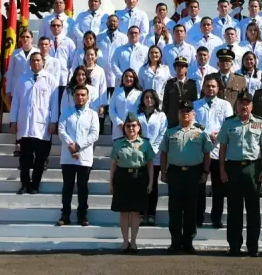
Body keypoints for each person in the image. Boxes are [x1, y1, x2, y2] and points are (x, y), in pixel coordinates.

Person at [218, 91, 262, 257]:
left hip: (253, 168)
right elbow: (222, 149)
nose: (244, 106)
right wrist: (222, 170)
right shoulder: (228, 123)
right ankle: (234, 246)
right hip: (233, 168)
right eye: (241, 103)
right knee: (234, 210)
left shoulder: (260, 123)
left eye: (247, 103)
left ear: (252, 106)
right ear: (237, 105)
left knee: (253, 210)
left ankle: (253, 246)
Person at [160, 100, 213, 253]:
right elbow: (164, 153)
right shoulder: (170, 131)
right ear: (178, 114)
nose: (185, 114)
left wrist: (205, 172)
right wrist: (163, 172)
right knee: (174, 209)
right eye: (182, 111)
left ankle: (188, 241)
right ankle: (175, 242)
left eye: (188, 111)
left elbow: (207, 153)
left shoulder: (201, 132)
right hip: (175, 173)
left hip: (193, 173)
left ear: (193, 114)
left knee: (191, 208)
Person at [10, 52, 59, 195]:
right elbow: (15, 102)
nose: (36, 63)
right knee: (25, 158)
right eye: (33, 61)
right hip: (25, 124)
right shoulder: (22, 79)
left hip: (42, 126)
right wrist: (13, 120)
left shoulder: (50, 80)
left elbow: (54, 104)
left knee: (40, 159)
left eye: (38, 60)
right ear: (29, 63)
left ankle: (35, 184)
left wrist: (53, 122)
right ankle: (24, 184)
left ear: (43, 62)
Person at [108, 112, 154, 252]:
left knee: (135, 212)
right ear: (124, 128)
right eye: (128, 126)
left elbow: (150, 163)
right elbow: (113, 165)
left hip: (139, 177)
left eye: (134, 125)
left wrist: (151, 182)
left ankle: (133, 242)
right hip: (122, 178)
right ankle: (125, 241)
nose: (131, 128)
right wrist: (110, 183)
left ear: (139, 127)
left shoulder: (145, 143)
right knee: (123, 212)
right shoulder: (118, 143)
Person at [56, 85, 100, 228]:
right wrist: (71, 145)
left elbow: (94, 134)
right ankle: (65, 214)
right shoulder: (66, 112)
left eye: (83, 95)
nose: (80, 97)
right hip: (68, 155)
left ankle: (82, 215)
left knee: (83, 187)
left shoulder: (93, 114)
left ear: (87, 97)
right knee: (67, 186)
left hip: (84, 156)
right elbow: (61, 130)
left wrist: (79, 146)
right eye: (77, 95)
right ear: (73, 96)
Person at [194, 77, 234, 228]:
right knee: (200, 185)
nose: (211, 89)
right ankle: (198, 216)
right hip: (200, 150)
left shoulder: (225, 105)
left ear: (218, 89)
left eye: (213, 86)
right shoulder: (195, 105)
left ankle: (216, 217)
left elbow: (229, 123)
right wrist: (208, 133)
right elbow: (193, 123)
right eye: (208, 86)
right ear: (203, 88)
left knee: (218, 187)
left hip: (219, 150)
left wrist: (218, 135)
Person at [138, 90, 167, 226]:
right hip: (139, 154)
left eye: (151, 97)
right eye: (146, 97)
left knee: (152, 184)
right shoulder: (137, 115)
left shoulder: (161, 116)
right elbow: (133, 132)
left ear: (155, 100)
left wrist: (153, 149)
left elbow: (162, 134)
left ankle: (151, 214)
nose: (149, 100)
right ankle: (141, 213)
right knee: (141, 184)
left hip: (154, 155)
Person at [162, 56, 199, 127]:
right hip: (172, 118)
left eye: (183, 66)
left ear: (186, 69)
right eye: (178, 66)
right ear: (175, 68)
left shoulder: (191, 84)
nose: (180, 69)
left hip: (186, 117)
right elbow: (165, 102)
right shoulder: (170, 83)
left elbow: (194, 102)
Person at [109, 69, 143, 140]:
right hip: (118, 129)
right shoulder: (117, 91)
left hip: (133, 129)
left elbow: (141, 111)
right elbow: (111, 109)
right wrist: (120, 123)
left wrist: (134, 124)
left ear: (134, 79)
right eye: (126, 76)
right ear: (123, 79)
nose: (128, 78)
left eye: (131, 77)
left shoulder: (139, 93)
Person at [48, 18, 76, 101]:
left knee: (61, 104)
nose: (56, 27)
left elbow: (73, 61)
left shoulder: (69, 42)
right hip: (49, 78)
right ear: (50, 27)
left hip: (63, 79)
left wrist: (69, 78)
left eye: (58, 25)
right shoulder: (47, 41)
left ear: (62, 27)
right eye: (53, 25)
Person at [4, 30, 36, 100]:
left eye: (27, 37)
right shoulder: (15, 53)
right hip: (17, 87)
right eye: (23, 37)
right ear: (20, 39)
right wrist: (8, 90)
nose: (25, 39)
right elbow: (10, 72)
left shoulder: (37, 52)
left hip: (32, 86)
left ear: (32, 39)